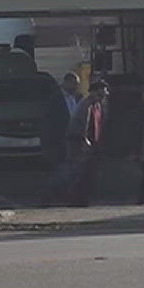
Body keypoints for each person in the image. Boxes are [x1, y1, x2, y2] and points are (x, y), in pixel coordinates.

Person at [68, 77, 107, 206]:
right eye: (100, 94)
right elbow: (82, 124)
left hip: (92, 143)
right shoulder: (86, 105)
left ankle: (84, 199)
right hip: (80, 142)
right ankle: (75, 199)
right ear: (93, 92)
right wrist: (84, 140)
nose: (102, 97)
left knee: (90, 173)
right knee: (80, 172)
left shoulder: (98, 106)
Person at [40, 72, 79, 203]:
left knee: (71, 171)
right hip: (59, 141)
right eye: (74, 84)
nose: (76, 87)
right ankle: (48, 196)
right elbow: (49, 122)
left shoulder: (77, 98)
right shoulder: (55, 99)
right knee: (60, 171)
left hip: (74, 140)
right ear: (66, 82)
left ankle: (67, 196)